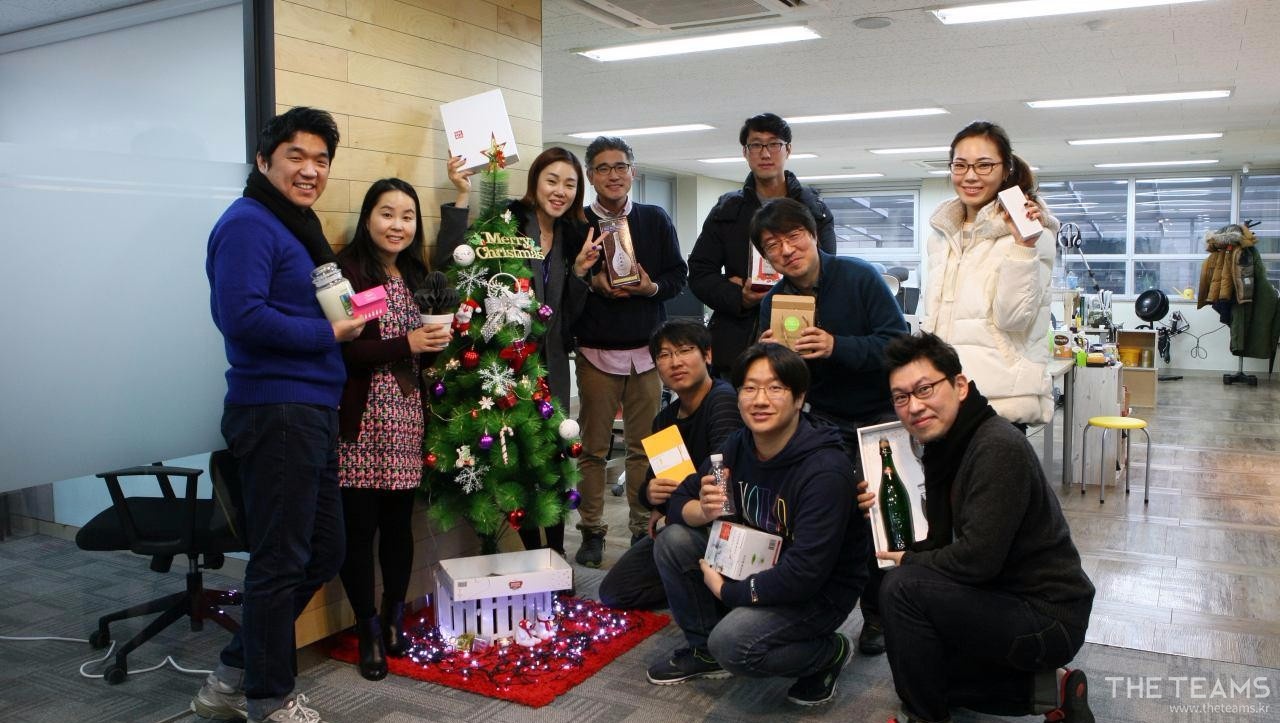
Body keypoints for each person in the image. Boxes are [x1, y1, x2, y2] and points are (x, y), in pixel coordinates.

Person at [194, 107, 363, 723]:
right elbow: (241, 318)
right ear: (264, 161)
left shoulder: (296, 225)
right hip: (275, 407)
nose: (310, 170)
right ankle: (269, 698)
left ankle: (234, 675)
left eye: (321, 160)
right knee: (281, 558)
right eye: (297, 156)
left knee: (322, 551)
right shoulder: (247, 224)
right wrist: (330, 331)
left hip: (309, 406)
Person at [863, 332, 1095, 723]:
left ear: (959, 386)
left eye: (924, 389)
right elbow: (941, 541)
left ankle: (926, 717)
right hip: (1003, 597)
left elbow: (976, 561)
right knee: (921, 668)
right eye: (901, 397)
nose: (914, 406)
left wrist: (910, 560)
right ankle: (1052, 690)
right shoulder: (947, 447)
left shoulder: (995, 447)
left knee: (903, 589)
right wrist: (875, 516)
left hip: (1047, 615)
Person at [649, 343, 869, 707]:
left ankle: (828, 651)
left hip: (817, 593)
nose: (760, 400)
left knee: (733, 645)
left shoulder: (824, 471)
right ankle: (703, 651)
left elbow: (805, 574)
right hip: (757, 565)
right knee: (672, 540)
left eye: (775, 388)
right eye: (749, 388)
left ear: (799, 399)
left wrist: (727, 593)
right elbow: (679, 500)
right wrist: (702, 512)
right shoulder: (738, 445)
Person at [754, 196, 907, 656]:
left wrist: (837, 345)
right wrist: (771, 356)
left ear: (813, 235)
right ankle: (821, 611)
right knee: (830, 518)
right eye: (772, 244)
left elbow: (896, 344)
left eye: (793, 236)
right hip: (821, 422)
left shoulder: (858, 276)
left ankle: (882, 614)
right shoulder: (773, 302)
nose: (786, 249)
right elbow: (779, 380)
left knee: (885, 521)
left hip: (879, 417)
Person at [436, 148, 598, 555]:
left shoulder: (568, 238)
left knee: (555, 464)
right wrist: (461, 197)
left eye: (570, 184)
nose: (559, 191)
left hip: (553, 368)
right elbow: (454, 261)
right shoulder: (506, 225)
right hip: (509, 368)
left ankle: (556, 556)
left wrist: (578, 273)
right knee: (521, 467)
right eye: (552, 180)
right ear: (535, 183)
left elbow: (564, 317)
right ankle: (533, 556)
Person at [334, 179, 451, 681]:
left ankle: (395, 617)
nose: (397, 225)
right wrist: (409, 342)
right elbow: (350, 350)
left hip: (406, 419)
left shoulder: (415, 273)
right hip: (360, 422)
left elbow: (423, 348)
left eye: (407, 216)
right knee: (358, 532)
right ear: (367, 219)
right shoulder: (351, 273)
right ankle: (368, 630)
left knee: (398, 528)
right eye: (387, 214)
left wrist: (439, 340)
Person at [568, 136, 688, 567]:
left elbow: (679, 276)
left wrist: (650, 286)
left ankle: (642, 527)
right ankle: (592, 529)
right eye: (603, 168)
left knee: (644, 447)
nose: (613, 175)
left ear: (633, 172)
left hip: (646, 353)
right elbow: (563, 284)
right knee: (594, 449)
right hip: (597, 353)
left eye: (621, 166)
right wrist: (589, 282)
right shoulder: (576, 221)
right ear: (590, 175)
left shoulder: (655, 219)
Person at [920, 120, 1059, 427]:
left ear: (1006, 169)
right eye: (960, 165)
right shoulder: (942, 237)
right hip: (944, 396)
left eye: (984, 165)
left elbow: (1013, 319)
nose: (970, 176)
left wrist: (1024, 247)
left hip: (998, 402)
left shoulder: (1032, 234)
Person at [597, 319, 741, 609]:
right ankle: (695, 584)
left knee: (672, 537)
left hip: (724, 522)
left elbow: (719, 474)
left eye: (685, 350)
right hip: (680, 517)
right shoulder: (664, 419)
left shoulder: (722, 400)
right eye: (664, 355)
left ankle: (711, 599)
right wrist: (651, 496)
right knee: (614, 592)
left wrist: (669, 507)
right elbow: (651, 482)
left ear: (707, 355)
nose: (675, 362)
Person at [688, 112, 836, 379]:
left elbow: (827, 271)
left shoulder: (814, 210)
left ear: (787, 150)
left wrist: (790, 291)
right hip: (737, 341)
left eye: (774, 144)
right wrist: (738, 297)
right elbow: (699, 273)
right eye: (756, 145)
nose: (765, 153)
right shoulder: (726, 211)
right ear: (745, 152)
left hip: (799, 334)